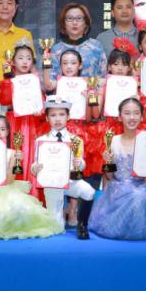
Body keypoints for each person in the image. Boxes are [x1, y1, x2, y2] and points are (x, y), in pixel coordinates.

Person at [89, 97, 146, 240]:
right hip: (117, 189)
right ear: (120, 116)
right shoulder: (113, 141)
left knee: (139, 195)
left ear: (142, 116)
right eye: (127, 113)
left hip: (141, 188)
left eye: (136, 113)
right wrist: (108, 161)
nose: (132, 117)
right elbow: (110, 176)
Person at [32, 97, 96, 238]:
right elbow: (35, 162)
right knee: (56, 227)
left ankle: (82, 225)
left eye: (61, 114)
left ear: (68, 116)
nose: (57, 119)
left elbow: (81, 161)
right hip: (52, 183)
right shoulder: (41, 141)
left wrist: (80, 164)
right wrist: (34, 168)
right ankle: (58, 219)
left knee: (89, 191)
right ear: (47, 118)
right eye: (53, 115)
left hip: (71, 180)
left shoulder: (76, 140)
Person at [0, 42, 49, 199]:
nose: (25, 61)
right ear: (12, 61)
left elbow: (42, 106)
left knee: (30, 156)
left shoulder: (34, 81)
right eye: (20, 58)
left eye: (28, 58)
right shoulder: (10, 80)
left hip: (32, 124)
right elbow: (5, 100)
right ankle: (10, 197)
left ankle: (31, 195)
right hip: (14, 122)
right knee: (13, 157)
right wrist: (7, 79)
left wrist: (39, 110)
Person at [47, 3, 107, 80]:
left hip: (91, 88)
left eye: (79, 18)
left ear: (86, 23)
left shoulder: (96, 46)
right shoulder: (56, 49)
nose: (74, 22)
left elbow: (103, 76)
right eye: (70, 18)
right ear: (64, 23)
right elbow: (51, 79)